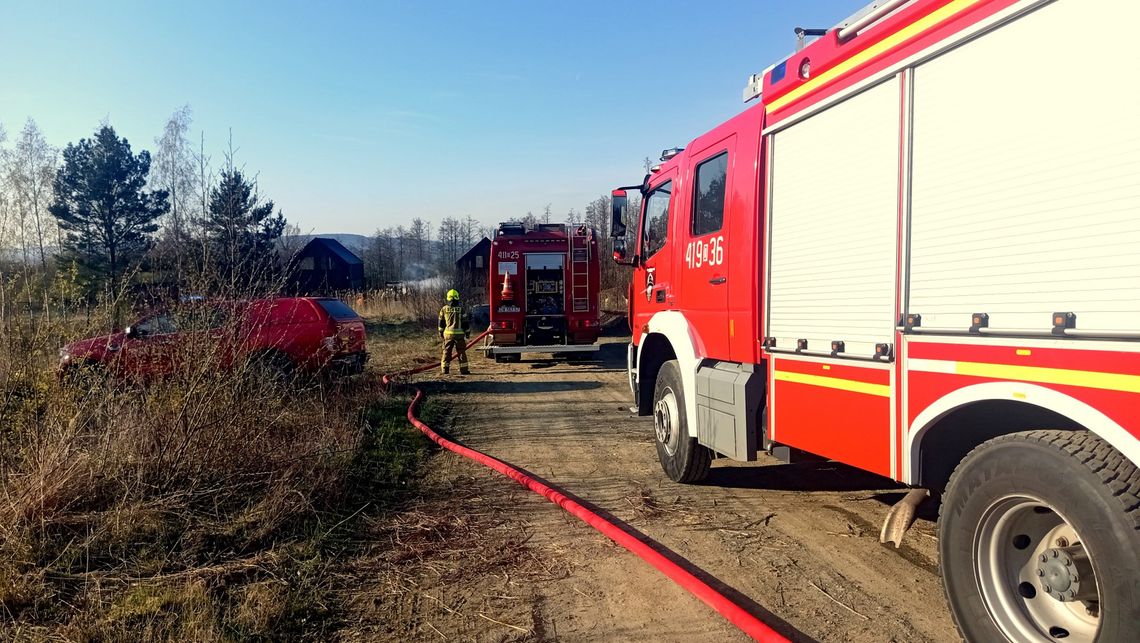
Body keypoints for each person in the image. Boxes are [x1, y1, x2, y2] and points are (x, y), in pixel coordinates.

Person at [438, 289, 471, 375]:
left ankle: (445, 369)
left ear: (448, 299)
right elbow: (465, 323)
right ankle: (464, 370)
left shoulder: (444, 309)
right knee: (461, 352)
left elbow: (441, 323)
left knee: (446, 352)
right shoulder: (461, 310)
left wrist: (440, 332)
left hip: (447, 335)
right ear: (457, 298)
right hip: (459, 336)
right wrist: (467, 333)